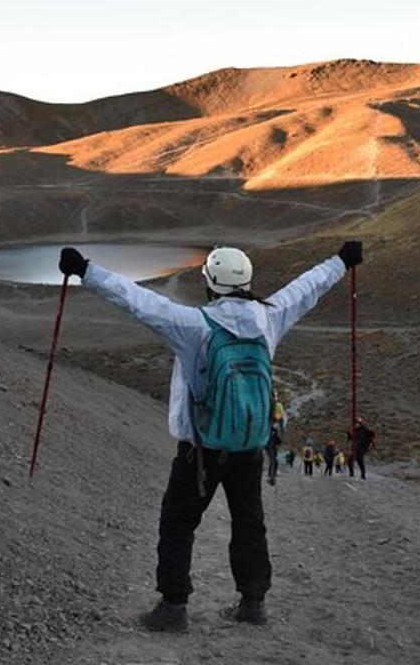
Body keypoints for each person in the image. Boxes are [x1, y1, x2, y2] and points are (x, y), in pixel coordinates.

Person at [59, 240, 363, 632]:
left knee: (177, 523)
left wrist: (84, 269)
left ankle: (172, 608)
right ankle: (252, 604)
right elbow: (308, 287)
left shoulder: (193, 326)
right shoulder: (269, 318)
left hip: (199, 452)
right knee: (249, 523)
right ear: (246, 281)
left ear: (210, 284)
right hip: (250, 448)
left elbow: (136, 300)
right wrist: (341, 261)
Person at [265, 422, 282, 487]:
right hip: (271, 447)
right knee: (273, 461)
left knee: (274, 461)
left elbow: (278, 441)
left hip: (271, 446)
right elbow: (278, 440)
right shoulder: (271, 431)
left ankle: (272, 476)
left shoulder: (271, 431)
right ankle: (272, 477)